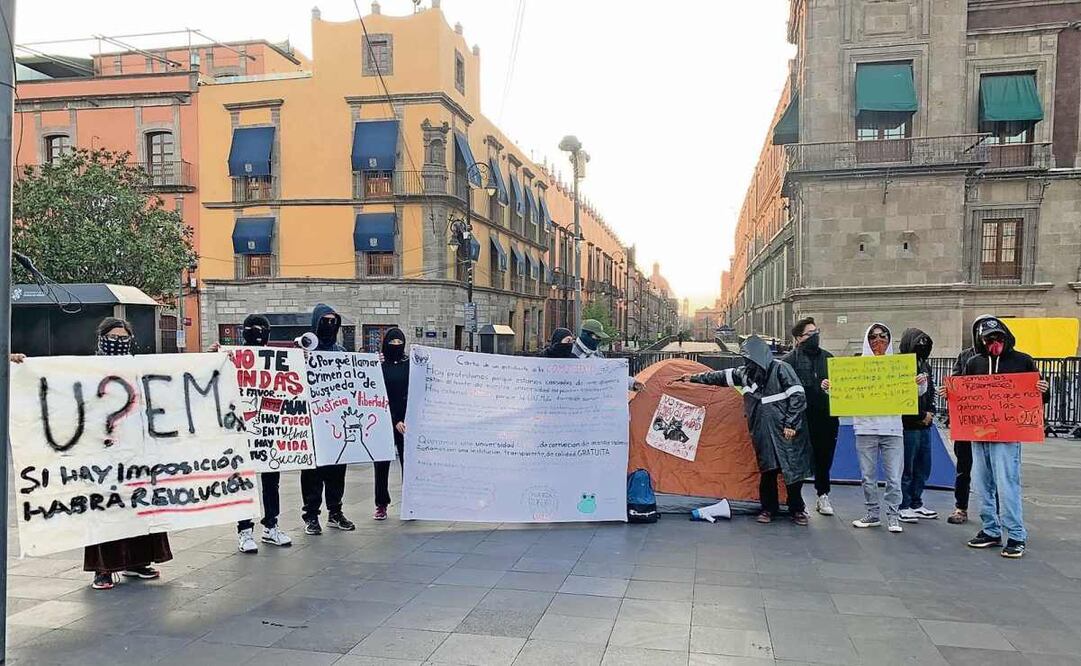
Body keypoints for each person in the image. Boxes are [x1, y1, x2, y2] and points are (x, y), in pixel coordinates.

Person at [679, 336, 812, 525]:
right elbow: (719, 377)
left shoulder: (781, 369)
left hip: (784, 430)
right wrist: (693, 377)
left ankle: (797, 509)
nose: (748, 363)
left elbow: (797, 396)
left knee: (792, 472)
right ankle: (768, 508)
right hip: (762, 431)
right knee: (768, 471)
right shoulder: (744, 374)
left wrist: (791, 424)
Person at [84, 318, 173, 590]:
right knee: (106, 508)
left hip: (136, 452)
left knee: (138, 505)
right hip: (103, 453)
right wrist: (19, 362)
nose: (118, 342)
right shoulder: (85, 369)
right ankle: (103, 569)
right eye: (113, 337)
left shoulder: (138, 366)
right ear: (101, 339)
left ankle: (138, 561)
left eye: (124, 338)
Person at [954, 317, 1048, 558]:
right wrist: (951, 394)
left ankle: (1016, 534)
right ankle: (991, 529)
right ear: (981, 341)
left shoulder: (1022, 360)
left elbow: (1035, 397)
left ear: (1006, 337)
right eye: (988, 339)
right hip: (979, 433)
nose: (994, 342)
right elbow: (964, 396)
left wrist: (1043, 392)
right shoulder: (974, 363)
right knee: (982, 483)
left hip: (1007, 435)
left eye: (998, 337)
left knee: (1007, 484)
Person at [824, 323, 927, 533]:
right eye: (873, 336)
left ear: (890, 339)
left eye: (883, 336)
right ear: (866, 340)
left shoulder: (899, 366)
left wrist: (920, 383)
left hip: (892, 430)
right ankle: (872, 513)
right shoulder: (857, 366)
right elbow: (844, 395)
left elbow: (916, 393)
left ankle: (893, 515)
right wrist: (830, 389)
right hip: (865, 429)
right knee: (868, 477)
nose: (878, 340)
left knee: (893, 477)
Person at [228, 315, 293, 552]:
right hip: (241, 432)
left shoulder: (276, 359)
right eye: (253, 330)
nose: (258, 334)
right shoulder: (231, 358)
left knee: (271, 483)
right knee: (244, 482)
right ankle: (244, 531)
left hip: (269, 430)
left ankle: (270, 526)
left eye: (262, 330)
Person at [300, 304, 356, 535]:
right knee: (312, 473)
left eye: (334, 321)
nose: (329, 325)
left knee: (337, 471)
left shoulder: (341, 352)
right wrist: (300, 359)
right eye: (325, 320)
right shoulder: (302, 349)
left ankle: (335, 512)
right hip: (312, 423)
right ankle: (311, 516)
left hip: (336, 422)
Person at [938, 314, 994, 525]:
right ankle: (961, 507)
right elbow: (956, 382)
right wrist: (949, 391)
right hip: (968, 423)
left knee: (993, 469)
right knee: (964, 467)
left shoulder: (1006, 359)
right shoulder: (965, 357)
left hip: (995, 425)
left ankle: (994, 509)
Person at [781, 317, 839, 516]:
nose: (815, 337)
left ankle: (823, 495)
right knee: (797, 460)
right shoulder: (788, 362)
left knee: (824, 459)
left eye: (816, 332)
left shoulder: (829, 358)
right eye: (810, 333)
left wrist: (832, 388)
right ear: (798, 338)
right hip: (799, 421)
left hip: (825, 419)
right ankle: (794, 501)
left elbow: (842, 390)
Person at [898, 328, 937, 524]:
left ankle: (916, 501)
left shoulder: (925, 365)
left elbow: (930, 392)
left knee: (923, 466)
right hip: (909, 425)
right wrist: (921, 415)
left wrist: (931, 412)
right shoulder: (900, 366)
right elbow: (900, 396)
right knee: (907, 466)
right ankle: (903, 504)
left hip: (924, 425)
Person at [373, 327, 409, 521]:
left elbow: (413, 393)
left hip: (406, 422)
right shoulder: (379, 366)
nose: (395, 346)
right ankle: (381, 504)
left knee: (408, 462)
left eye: (399, 343)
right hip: (384, 420)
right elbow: (377, 394)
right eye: (392, 343)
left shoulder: (408, 364)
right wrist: (394, 419)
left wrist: (404, 419)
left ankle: (409, 501)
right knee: (381, 465)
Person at [571, 319, 643, 391]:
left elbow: (609, 373)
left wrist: (632, 383)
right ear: (586, 334)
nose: (599, 340)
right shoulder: (571, 352)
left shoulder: (597, 352)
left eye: (600, 337)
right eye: (597, 337)